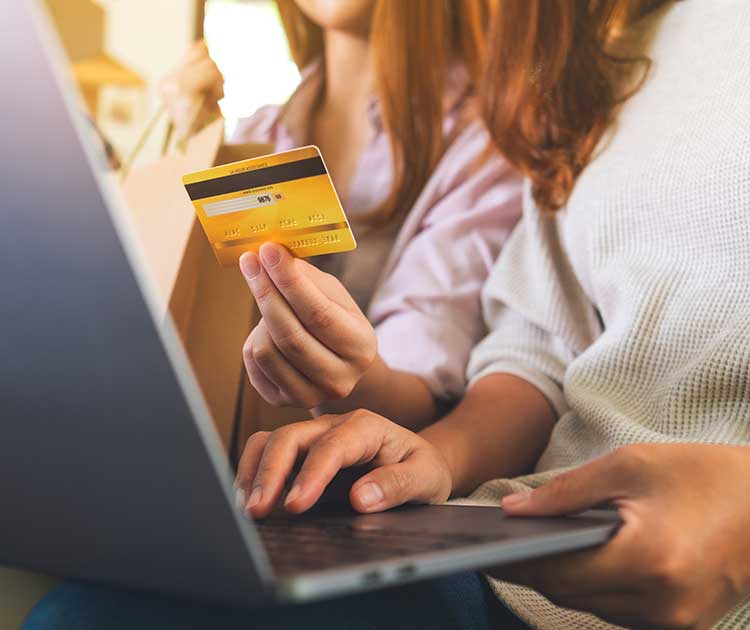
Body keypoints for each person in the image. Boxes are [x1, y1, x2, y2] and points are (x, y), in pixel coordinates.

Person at [25, 0, 750, 628]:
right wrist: (441, 455)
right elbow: (535, 345)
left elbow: (438, 365)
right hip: (507, 544)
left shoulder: (498, 123)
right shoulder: (604, 61)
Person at [161, 0, 521, 432]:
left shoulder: (488, 144)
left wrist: (342, 376)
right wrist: (193, 146)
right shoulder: (257, 135)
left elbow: (420, 393)